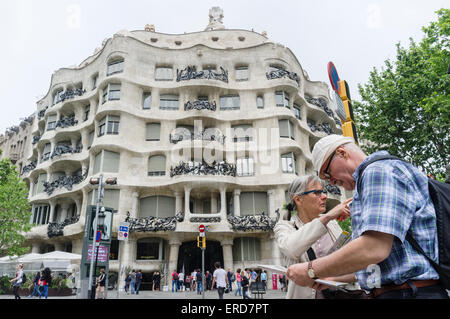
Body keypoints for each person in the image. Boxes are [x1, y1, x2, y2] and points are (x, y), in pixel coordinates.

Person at [286, 134, 449, 299]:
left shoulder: (377, 172)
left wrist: (311, 269)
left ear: (342, 153)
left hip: (407, 292)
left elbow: (373, 248)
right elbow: (381, 262)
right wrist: (332, 276)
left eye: (328, 174)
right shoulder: (375, 175)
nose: (332, 182)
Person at [274, 174, 353, 298]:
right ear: (298, 199)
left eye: (323, 191)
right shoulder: (284, 227)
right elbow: (291, 248)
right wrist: (327, 216)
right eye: (317, 192)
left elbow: (348, 260)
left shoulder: (332, 223)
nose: (324, 196)